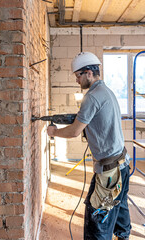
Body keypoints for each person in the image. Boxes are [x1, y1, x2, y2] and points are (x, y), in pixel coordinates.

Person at [47, 52, 131, 240]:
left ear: (89, 73)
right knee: (119, 207)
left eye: (78, 75)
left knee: (97, 218)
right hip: (122, 164)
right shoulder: (106, 91)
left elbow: (75, 131)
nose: (77, 80)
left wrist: (54, 133)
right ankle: (123, 237)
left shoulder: (92, 97)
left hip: (109, 171)